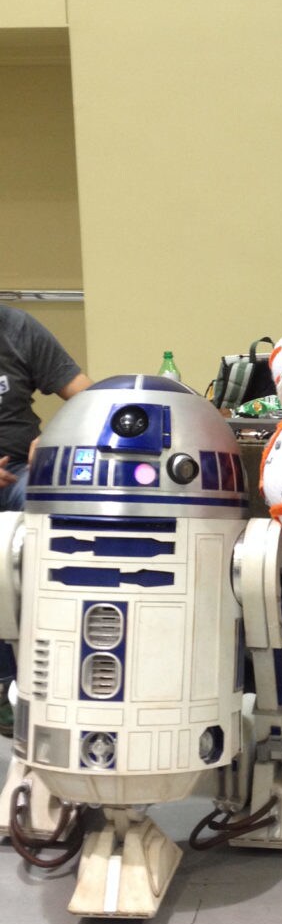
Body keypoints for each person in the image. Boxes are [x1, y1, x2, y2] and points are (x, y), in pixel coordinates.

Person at [0, 303, 92, 736]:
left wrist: (53, 435)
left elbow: (87, 395)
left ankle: (45, 674)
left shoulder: (15, 326)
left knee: (45, 522)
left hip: (19, 472)